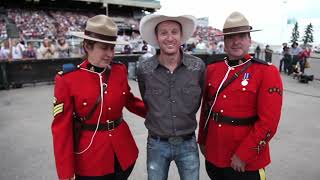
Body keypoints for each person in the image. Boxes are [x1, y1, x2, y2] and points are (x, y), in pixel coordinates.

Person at [51, 15, 146, 180]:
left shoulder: (119, 70)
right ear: (87, 45)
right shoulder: (67, 79)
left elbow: (129, 101)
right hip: (90, 160)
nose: (110, 54)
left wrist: (160, 113)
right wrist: (65, 174)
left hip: (123, 152)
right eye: (104, 48)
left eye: (112, 48)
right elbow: (61, 130)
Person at [198, 11, 283, 180]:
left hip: (245, 161)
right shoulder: (213, 69)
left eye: (242, 36)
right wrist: (202, 139)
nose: (236, 41)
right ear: (224, 41)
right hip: (214, 153)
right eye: (230, 37)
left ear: (249, 40)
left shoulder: (266, 72)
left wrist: (245, 154)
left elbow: (269, 123)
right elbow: (206, 109)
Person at [137, 14, 205, 180]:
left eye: (174, 32)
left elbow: (199, 101)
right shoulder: (144, 69)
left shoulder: (198, 67)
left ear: (181, 36)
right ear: (157, 37)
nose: (169, 38)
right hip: (156, 144)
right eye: (163, 33)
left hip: (188, 143)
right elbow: (147, 101)